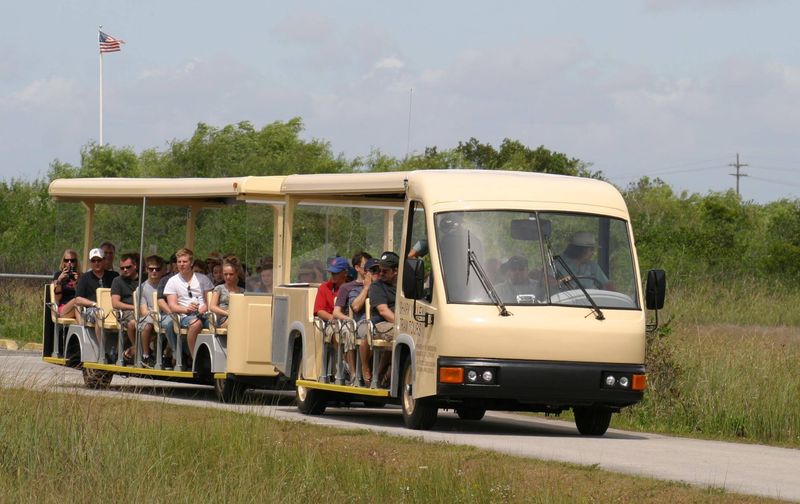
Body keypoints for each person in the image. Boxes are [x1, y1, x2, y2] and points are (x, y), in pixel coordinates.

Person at [332, 252, 375, 384]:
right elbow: (336, 312)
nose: (369, 270)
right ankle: (353, 372)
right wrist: (348, 319)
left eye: (371, 268)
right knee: (349, 328)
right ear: (357, 268)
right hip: (353, 322)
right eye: (365, 267)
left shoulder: (377, 285)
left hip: (368, 323)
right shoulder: (347, 287)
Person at [164, 248, 213, 360]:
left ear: (191, 263)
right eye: (179, 261)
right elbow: (172, 306)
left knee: (220, 323)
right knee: (196, 323)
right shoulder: (172, 281)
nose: (181, 264)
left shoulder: (203, 279)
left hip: (204, 314)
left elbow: (209, 300)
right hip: (184, 316)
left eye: (184, 261)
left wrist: (203, 308)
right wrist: (187, 309)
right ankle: (194, 359)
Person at [361, 251, 398, 387]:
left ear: (396, 271)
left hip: (400, 322)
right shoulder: (377, 286)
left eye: (385, 271)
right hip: (380, 323)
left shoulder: (404, 287)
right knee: (398, 333)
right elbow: (383, 311)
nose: (381, 273)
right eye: (379, 270)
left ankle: (385, 373)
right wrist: (403, 325)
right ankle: (380, 372)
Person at [74, 247, 119, 356]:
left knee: (126, 318)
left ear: (104, 260)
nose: (96, 263)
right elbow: (78, 299)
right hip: (91, 310)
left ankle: (118, 352)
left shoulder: (114, 276)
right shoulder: (85, 278)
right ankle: (102, 351)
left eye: (99, 260)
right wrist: (94, 304)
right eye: (93, 261)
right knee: (99, 314)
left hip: (113, 309)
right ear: (90, 263)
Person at [110, 253, 141, 365]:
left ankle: (133, 349)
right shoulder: (117, 281)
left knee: (156, 323)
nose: (124, 270)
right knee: (135, 322)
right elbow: (115, 303)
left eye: (128, 267)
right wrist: (134, 308)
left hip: (144, 310)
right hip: (125, 312)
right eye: (122, 268)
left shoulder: (143, 279)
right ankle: (139, 351)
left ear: (135, 266)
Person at [136, 255, 165, 368]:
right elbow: (143, 311)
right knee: (148, 325)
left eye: (157, 269)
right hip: (149, 316)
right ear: (146, 269)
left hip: (164, 315)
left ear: (162, 270)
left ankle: (169, 356)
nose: (154, 271)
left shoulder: (166, 285)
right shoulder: (142, 288)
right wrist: (154, 314)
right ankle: (146, 355)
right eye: (151, 269)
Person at [156, 253, 180, 368]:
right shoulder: (165, 279)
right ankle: (176, 354)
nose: (178, 264)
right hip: (167, 313)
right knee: (170, 324)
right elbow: (160, 300)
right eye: (175, 262)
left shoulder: (189, 279)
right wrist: (171, 313)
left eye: (180, 261)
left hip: (184, 313)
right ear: (171, 264)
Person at [209, 261, 244, 328]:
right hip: (223, 318)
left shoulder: (242, 291)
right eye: (225, 274)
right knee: (234, 320)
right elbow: (212, 307)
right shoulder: (219, 288)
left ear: (236, 274)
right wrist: (228, 313)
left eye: (231, 274)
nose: (228, 277)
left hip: (238, 317)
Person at [51, 249, 81, 320]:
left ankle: (83, 329)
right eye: (66, 260)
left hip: (79, 308)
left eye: (72, 260)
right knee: (76, 301)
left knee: (78, 302)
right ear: (63, 262)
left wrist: (76, 283)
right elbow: (57, 298)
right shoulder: (58, 275)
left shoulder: (81, 276)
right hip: (64, 308)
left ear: (76, 262)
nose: (69, 263)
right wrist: (59, 280)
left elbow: (81, 295)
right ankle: (83, 329)